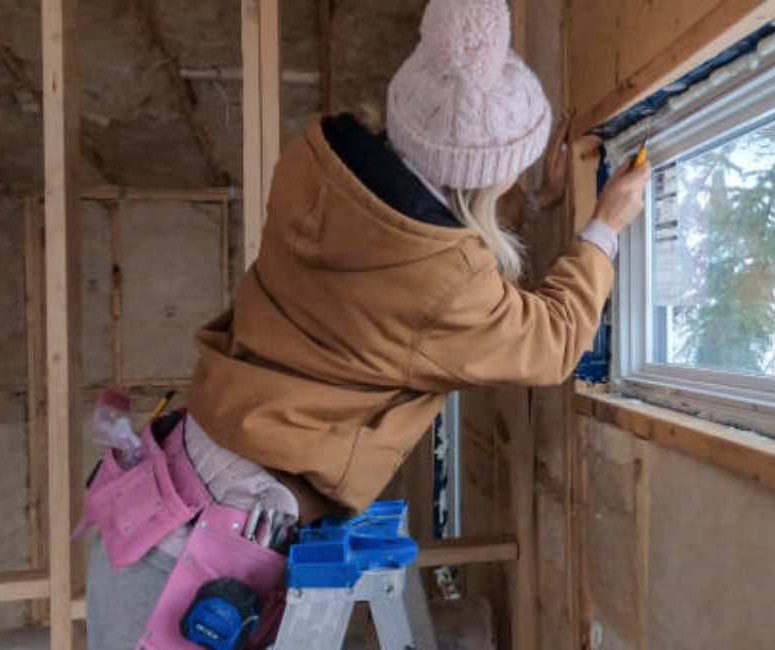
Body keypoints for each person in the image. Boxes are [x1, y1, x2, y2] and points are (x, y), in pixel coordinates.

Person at [84, 0, 650, 645]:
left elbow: (422, 240)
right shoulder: (445, 281)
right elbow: (550, 344)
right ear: (486, 180)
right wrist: (605, 227)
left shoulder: (314, 165)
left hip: (175, 472)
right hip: (217, 533)